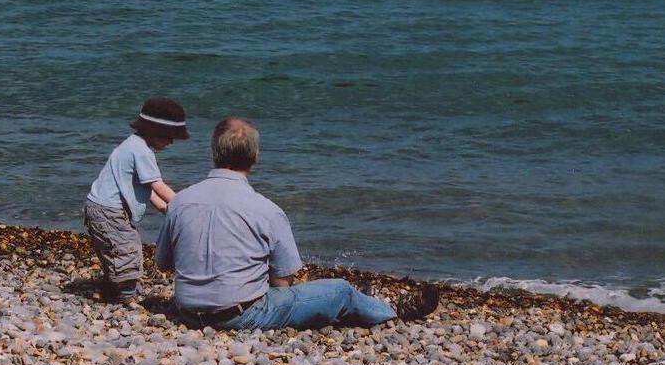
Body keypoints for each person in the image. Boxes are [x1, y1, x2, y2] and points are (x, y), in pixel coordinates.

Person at [155, 117, 439, 330]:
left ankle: (364, 304)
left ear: (214, 152)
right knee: (339, 290)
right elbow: (282, 281)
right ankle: (391, 313)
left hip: (188, 311)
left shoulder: (181, 201)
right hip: (240, 315)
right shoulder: (267, 210)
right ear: (254, 159)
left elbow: (164, 263)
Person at [85, 96, 188, 303]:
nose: (171, 142)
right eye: (169, 136)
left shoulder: (132, 145)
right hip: (109, 211)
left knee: (114, 248)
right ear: (155, 131)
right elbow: (157, 185)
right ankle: (127, 295)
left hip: (98, 207)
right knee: (127, 248)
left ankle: (112, 286)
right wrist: (186, 204)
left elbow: (141, 187)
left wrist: (163, 207)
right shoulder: (141, 152)